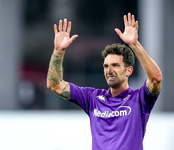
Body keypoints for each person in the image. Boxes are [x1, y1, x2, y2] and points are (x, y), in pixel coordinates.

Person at [47, 12, 162, 150]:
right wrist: (58, 51)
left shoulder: (139, 99)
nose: (109, 70)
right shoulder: (92, 98)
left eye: (115, 65)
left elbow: (155, 78)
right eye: (106, 66)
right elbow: (54, 84)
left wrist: (135, 45)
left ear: (129, 71)